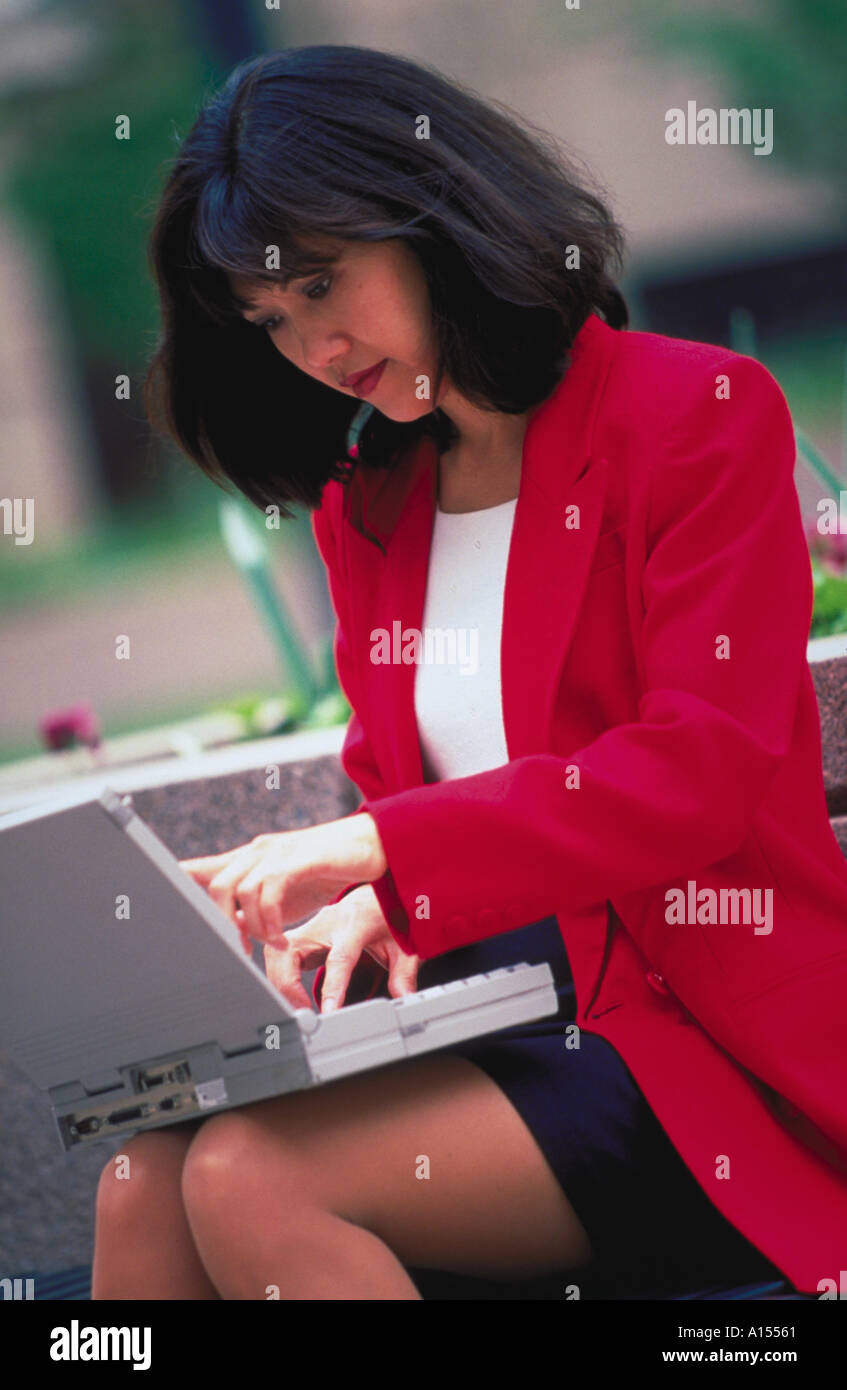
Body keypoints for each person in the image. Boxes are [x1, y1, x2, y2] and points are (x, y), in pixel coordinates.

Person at [92, 44, 847, 1301]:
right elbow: (409, 800)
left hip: (710, 1054)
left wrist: (385, 854)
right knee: (140, 1186)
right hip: (498, 1023)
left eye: (325, 282)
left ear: (433, 217)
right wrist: (362, 909)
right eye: (273, 320)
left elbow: (697, 769)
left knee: (252, 1177)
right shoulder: (371, 504)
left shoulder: (696, 412)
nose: (314, 345)